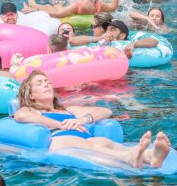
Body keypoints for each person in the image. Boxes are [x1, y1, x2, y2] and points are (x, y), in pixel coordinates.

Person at [14, 71, 172, 169]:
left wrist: (83, 119)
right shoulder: (32, 109)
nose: (46, 85)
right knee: (88, 144)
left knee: (104, 142)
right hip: (61, 140)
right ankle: (128, 158)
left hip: (85, 138)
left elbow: (105, 111)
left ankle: (150, 156)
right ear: (31, 95)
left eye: (47, 82)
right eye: (40, 83)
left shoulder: (68, 110)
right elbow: (21, 116)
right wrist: (60, 125)